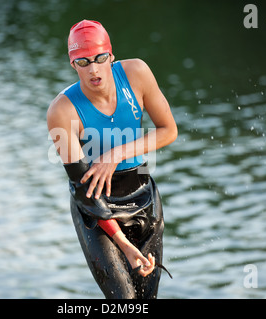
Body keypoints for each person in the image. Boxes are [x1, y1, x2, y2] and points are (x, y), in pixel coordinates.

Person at [47, 20, 177, 299]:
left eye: (100, 58)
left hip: (143, 192)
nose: (93, 69)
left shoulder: (136, 74)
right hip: (97, 209)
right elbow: (85, 191)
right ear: (73, 65)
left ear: (111, 55)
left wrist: (116, 154)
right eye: (83, 62)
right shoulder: (62, 111)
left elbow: (169, 130)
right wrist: (124, 245)